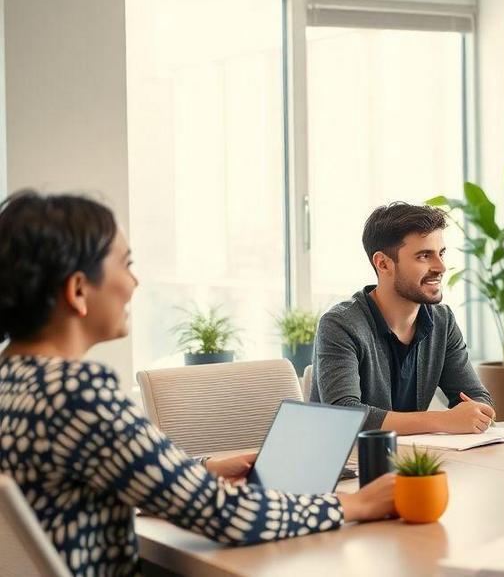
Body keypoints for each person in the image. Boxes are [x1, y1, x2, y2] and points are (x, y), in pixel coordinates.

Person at [0, 192, 396, 576]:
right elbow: (223, 514)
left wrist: (201, 468)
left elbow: (100, 467)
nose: (135, 283)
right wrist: (353, 505)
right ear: (78, 290)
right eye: (126, 264)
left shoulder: (13, 381)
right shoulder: (76, 394)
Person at [310, 202, 495, 435]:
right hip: (347, 465)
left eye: (441, 253)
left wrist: (476, 413)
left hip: (410, 460)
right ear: (383, 263)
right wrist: (443, 420)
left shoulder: (442, 321)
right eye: (424, 256)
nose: (441, 267)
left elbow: (476, 397)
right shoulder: (340, 324)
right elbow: (344, 416)